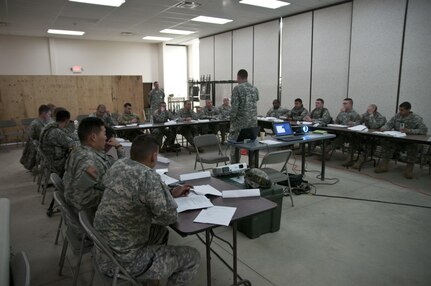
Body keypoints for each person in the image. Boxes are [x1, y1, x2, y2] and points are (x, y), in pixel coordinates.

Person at [93, 134, 200, 285]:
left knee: (160, 232)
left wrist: (169, 192)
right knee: (193, 257)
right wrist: (166, 197)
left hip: (104, 251)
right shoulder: (148, 177)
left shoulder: (119, 165)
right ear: (154, 156)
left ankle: (151, 280)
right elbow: (169, 218)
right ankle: (148, 271)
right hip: (123, 262)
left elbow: (134, 193)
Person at [63, 117, 124, 214]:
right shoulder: (89, 161)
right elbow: (82, 200)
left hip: (75, 205)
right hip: (89, 213)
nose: (105, 138)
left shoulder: (79, 150)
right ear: (93, 137)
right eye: (104, 134)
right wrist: (111, 194)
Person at [375, 101, 428, 179]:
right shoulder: (397, 116)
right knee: (386, 142)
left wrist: (409, 131)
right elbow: (389, 124)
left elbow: (424, 130)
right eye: (399, 110)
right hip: (397, 140)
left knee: (413, 147)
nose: (400, 112)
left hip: (409, 141)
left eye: (402, 110)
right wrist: (384, 128)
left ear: (408, 110)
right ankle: (384, 165)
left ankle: (409, 170)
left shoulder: (416, 118)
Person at [230, 69, 259, 163]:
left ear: (238, 77)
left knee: (235, 145)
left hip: (240, 123)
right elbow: (255, 101)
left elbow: (235, 107)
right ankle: (253, 166)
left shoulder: (237, 88)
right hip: (253, 122)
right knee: (252, 145)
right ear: (246, 76)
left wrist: (232, 121)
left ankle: (234, 168)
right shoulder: (254, 88)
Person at [39, 109, 80, 176]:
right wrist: (86, 142)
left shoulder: (52, 126)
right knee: (81, 161)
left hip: (49, 160)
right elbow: (72, 144)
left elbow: (68, 135)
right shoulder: (56, 132)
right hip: (56, 163)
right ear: (67, 120)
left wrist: (80, 138)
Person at [351, 104, 387, 169]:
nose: (368, 111)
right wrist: (353, 122)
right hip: (367, 135)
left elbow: (374, 126)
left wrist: (371, 116)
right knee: (353, 138)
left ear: (374, 110)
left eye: (369, 110)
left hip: (376, 137)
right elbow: (358, 122)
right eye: (367, 110)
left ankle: (360, 161)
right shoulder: (366, 115)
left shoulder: (381, 118)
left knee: (369, 144)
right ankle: (350, 158)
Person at [329, 98, 362, 166]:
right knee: (335, 140)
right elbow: (336, 121)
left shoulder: (355, 114)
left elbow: (359, 123)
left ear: (350, 104)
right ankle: (327, 153)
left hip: (351, 135)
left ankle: (350, 159)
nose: (343, 105)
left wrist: (352, 123)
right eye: (343, 103)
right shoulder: (342, 112)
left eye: (345, 103)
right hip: (342, 133)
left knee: (353, 142)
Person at [20, 105, 51, 171]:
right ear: (43, 113)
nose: (49, 116)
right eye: (48, 114)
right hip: (40, 146)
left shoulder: (44, 122)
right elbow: (30, 137)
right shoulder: (35, 123)